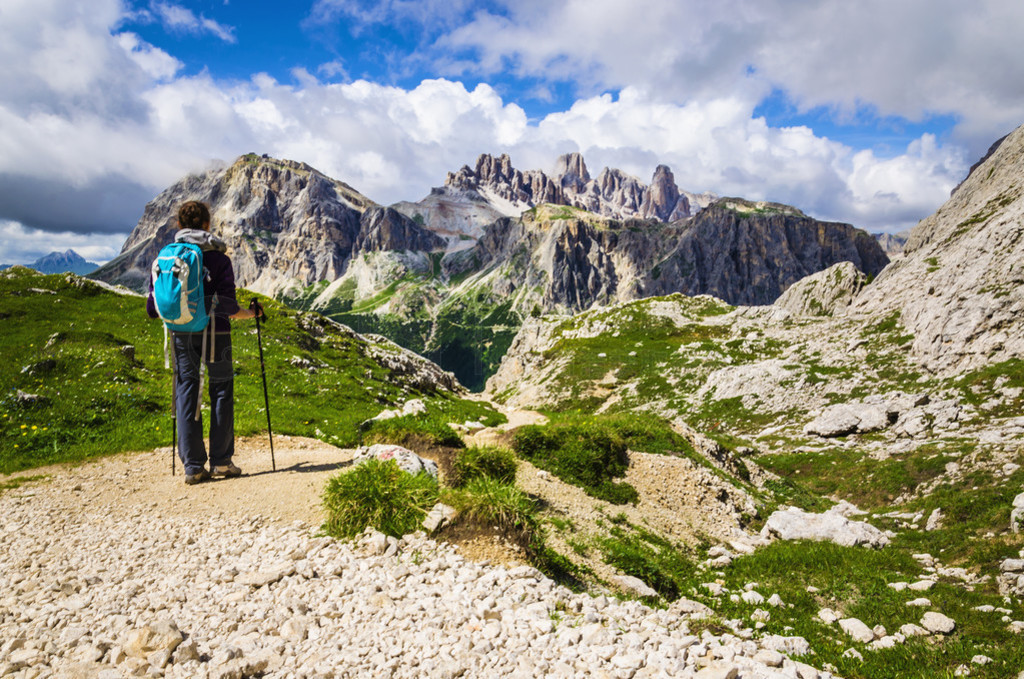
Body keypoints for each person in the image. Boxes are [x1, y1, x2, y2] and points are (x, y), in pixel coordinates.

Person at [147, 201, 262, 484]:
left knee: (186, 388)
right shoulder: (220, 260)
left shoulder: (166, 257)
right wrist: (252, 313)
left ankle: (193, 466)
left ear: (179, 225)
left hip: (180, 332)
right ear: (208, 225)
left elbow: (152, 308)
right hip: (217, 333)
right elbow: (229, 308)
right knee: (221, 388)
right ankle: (221, 462)